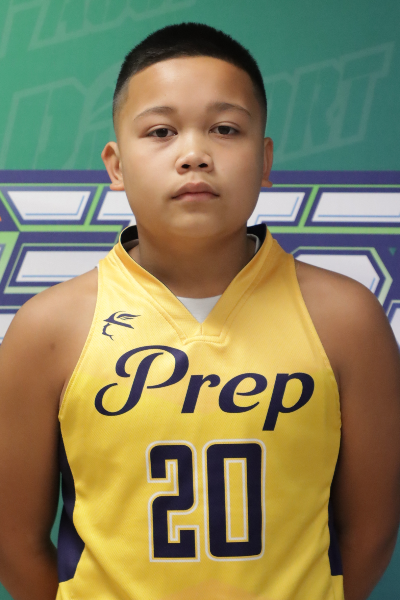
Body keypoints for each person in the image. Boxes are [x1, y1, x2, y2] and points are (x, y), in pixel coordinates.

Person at [0, 22, 399, 600]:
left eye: (225, 129)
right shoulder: (48, 330)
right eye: (161, 131)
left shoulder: (347, 319)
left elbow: (372, 532)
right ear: (116, 165)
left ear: (265, 159)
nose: (194, 155)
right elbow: (14, 542)